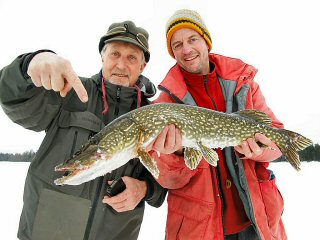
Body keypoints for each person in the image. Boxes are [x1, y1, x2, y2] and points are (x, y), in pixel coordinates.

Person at [0, 20, 167, 240]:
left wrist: (145, 189)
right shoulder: (71, 90)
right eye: (115, 54)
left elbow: (167, 175)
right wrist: (30, 65)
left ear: (142, 66)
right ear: (103, 57)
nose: (121, 65)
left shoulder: (157, 115)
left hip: (115, 231)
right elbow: (13, 99)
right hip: (49, 230)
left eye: (132, 58)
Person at [146, 9, 287, 240]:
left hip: (256, 223)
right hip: (199, 230)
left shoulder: (244, 83)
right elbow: (166, 179)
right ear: (173, 52)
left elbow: (277, 140)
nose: (187, 49)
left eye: (193, 39)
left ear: (206, 41)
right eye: (178, 44)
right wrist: (176, 154)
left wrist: (260, 150)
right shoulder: (165, 104)